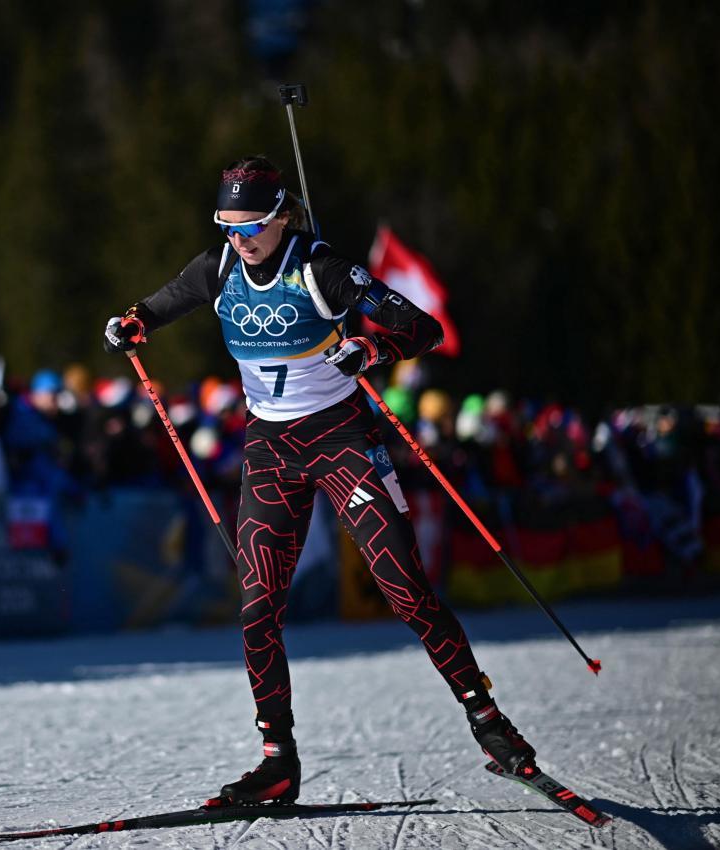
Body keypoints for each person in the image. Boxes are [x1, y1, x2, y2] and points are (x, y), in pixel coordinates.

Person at [102, 155, 535, 806]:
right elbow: (156, 308)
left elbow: (422, 329)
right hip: (270, 449)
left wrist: (373, 348)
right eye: (227, 226)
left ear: (281, 218)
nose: (238, 240)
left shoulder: (322, 270)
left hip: (341, 441)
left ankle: (488, 722)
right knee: (255, 614)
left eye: (250, 227)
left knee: (405, 590)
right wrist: (129, 325)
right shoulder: (216, 268)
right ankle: (277, 760)